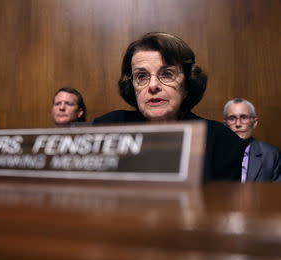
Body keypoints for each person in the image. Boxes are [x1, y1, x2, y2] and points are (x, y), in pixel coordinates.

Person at [93, 32, 245, 181]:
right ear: (132, 86)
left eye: (166, 74)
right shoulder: (106, 129)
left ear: (187, 85)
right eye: (142, 76)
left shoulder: (222, 141)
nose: (153, 86)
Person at [223, 98, 280, 182]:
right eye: (232, 118)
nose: (238, 124)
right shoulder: (214, 152)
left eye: (244, 117)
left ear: (254, 123)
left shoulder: (271, 155)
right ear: (225, 124)